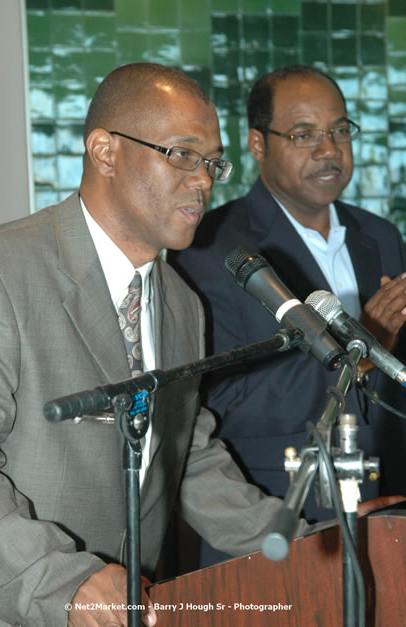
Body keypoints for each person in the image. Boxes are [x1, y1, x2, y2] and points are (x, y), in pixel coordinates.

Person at [0, 63, 309, 627]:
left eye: (212, 162)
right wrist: (62, 582)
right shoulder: (3, 272)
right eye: (182, 154)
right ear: (105, 152)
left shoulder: (182, 303)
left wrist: (303, 543)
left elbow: (185, 460)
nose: (204, 181)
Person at [170, 65, 406, 566]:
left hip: (386, 512)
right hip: (272, 523)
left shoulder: (382, 237)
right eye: (304, 135)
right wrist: (357, 351)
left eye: (340, 130)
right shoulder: (214, 249)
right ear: (257, 143)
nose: (329, 150)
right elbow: (219, 400)